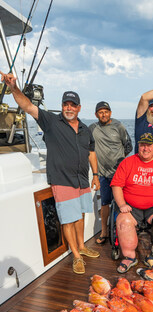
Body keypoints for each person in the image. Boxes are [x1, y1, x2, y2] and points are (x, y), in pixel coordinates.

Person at [0, 71, 100, 275]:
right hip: (62, 180)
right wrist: (13, 88)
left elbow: (91, 152)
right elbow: (27, 106)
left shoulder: (85, 129)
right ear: (62, 106)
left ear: (79, 108)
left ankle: (82, 246)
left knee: (80, 216)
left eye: (73, 105)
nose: (69, 108)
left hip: (82, 179)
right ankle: (77, 256)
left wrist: (96, 175)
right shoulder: (51, 121)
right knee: (68, 219)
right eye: (66, 104)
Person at [111, 132, 153, 273]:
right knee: (124, 221)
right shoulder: (127, 162)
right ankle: (130, 257)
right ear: (138, 146)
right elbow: (116, 185)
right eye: (142, 145)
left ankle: (150, 253)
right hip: (131, 208)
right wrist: (121, 204)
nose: (145, 148)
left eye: (149, 145)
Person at [89, 101, 132, 245]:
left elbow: (129, 146)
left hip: (118, 174)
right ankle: (105, 232)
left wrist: (119, 163)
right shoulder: (92, 128)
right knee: (105, 203)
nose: (103, 114)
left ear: (110, 113)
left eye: (106, 111)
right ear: (96, 115)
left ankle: (120, 231)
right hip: (102, 174)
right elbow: (86, 146)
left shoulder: (118, 126)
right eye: (100, 112)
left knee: (121, 204)